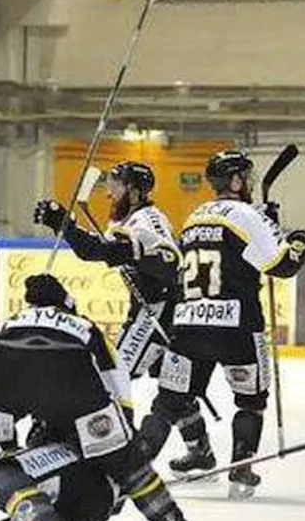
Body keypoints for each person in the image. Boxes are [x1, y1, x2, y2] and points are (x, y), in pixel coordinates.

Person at [0, 273, 200, 521]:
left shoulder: (6, 325)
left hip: (8, 370)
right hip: (96, 482)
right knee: (124, 466)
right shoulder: (86, 327)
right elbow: (124, 423)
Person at [134, 150, 305, 499]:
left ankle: (132, 470)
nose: (249, 183)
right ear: (236, 181)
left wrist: (267, 226)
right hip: (236, 327)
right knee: (250, 401)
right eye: (246, 178)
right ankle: (241, 470)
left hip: (188, 325)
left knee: (168, 404)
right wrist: (300, 242)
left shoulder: (194, 217)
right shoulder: (246, 214)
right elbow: (280, 265)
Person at [34, 161, 215, 476]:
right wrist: (73, 227)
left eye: (115, 185)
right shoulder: (128, 219)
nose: (109, 192)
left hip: (158, 310)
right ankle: (200, 450)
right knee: (170, 382)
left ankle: (103, 450)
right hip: (154, 308)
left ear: (133, 191)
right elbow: (100, 249)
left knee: (111, 375)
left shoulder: (147, 220)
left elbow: (169, 258)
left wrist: (63, 223)